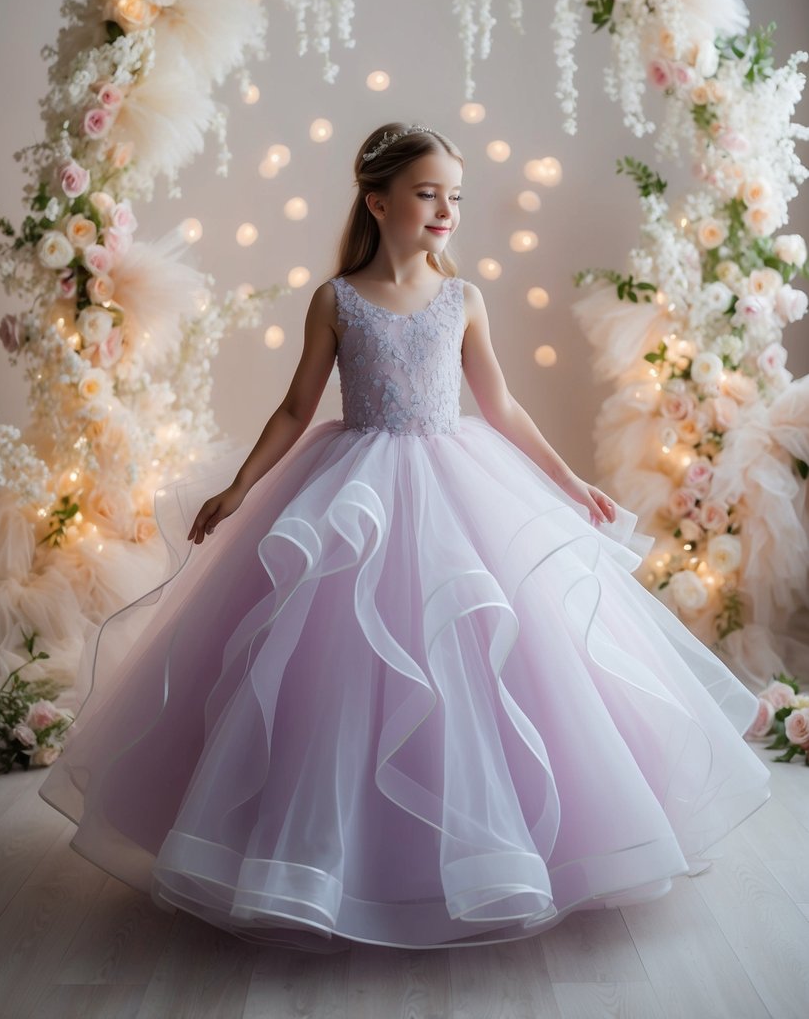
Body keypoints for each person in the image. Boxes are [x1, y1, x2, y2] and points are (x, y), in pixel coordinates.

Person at [39, 121, 771, 955]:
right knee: (332, 676)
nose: (445, 210)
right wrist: (242, 488)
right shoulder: (336, 298)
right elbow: (294, 407)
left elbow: (500, 405)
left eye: (453, 196)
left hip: (460, 487)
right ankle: (329, 864)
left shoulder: (463, 299)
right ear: (378, 200)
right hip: (354, 492)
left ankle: (497, 852)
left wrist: (569, 485)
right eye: (428, 194)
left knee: (482, 659)